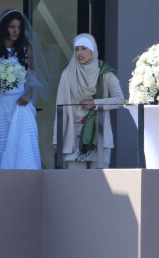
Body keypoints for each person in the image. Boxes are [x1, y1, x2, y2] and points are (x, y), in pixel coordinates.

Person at [52, 33, 124, 169]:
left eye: (84, 48)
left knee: (99, 183)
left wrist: (95, 103)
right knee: (76, 182)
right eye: (77, 49)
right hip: (74, 137)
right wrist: (57, 139)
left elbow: (120, 100)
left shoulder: (105, 72)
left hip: (99, 136)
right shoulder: (68, 73)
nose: (79, 53)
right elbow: (60, 107)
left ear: (92, 50)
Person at [0, 10, 51, 169]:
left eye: (18, 27)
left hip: (19, 103)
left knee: (20, 147)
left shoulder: (25, 48)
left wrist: (27, 95)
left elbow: (30, 77)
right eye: (11, 27)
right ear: (4, 27)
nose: (16, 31)